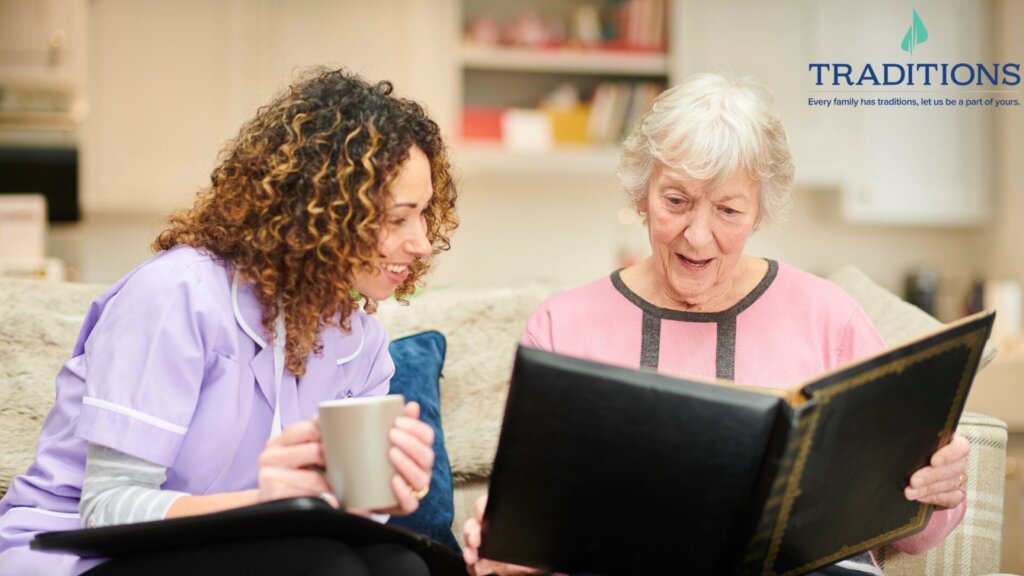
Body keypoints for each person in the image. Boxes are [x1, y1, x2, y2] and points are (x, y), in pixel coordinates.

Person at [462, 73, 969, 576]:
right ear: (642, 195)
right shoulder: (561, 328)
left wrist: (938, 487)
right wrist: (507, 543)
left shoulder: (829, 318)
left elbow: (915, 531)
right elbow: (529, 515)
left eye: (728, 209)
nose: (698, 237)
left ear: (759, 212)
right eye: (676, 202)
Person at [0, 67, 458, 576]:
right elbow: (106, 508)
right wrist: (265, 500)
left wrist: (388, 491)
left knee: (401, 566)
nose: (420, 242)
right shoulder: (177, 295)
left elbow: (343, 511)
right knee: (323, 566)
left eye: (424, 214)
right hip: (81, 554)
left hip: (239, 547)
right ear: (321, 210)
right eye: (398, 217)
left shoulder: (360, 341)